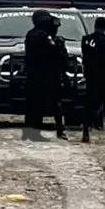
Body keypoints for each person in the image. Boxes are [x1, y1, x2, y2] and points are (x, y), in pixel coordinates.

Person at [24, 9, 68, 138]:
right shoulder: (38, 36)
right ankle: (37, 130)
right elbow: (53, 53)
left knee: (43, 104)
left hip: (44, 75)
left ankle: (36, 130)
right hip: (43, 75)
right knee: (45, 104)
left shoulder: (34, 35)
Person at [81, 16, 105, 143]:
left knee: (89, 106)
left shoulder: (86, 40)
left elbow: (85, 59)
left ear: (95, 26)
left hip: (91, 78)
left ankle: (86, 133)